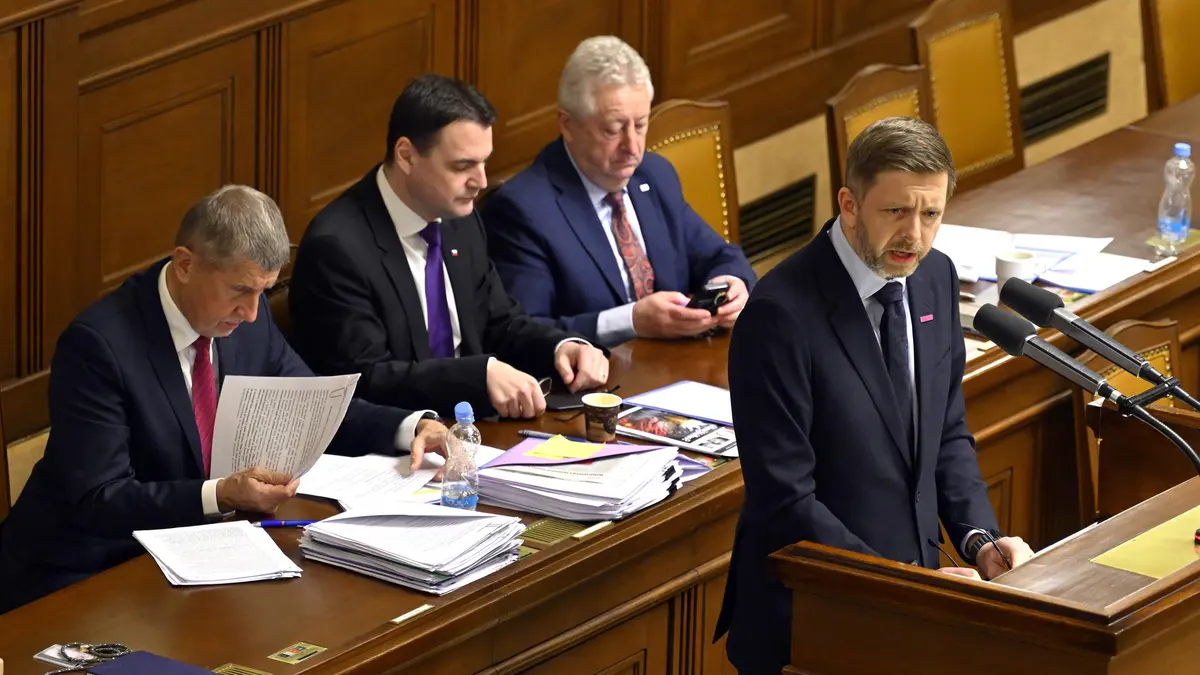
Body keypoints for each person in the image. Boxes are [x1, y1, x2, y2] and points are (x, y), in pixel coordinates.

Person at [0, 186, 447, 614]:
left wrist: (411, 427)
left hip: (198, 555)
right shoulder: (99, 345)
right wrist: (221, 494)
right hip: (83, 572)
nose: (252, 313)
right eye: (240, 291)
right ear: (185, 264)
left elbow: (313, 404)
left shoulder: (245, 320)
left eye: (263, 292)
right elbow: (102, 499)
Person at [714, 118, 1036, 674]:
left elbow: (945, 432)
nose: (915, 235)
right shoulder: (779, 315)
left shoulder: (934, 278)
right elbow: (785, 500)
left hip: (912, 610)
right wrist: (903, 584)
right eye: (896, 211)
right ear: (849, 204)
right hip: (812, 619)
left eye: (931, 214)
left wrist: (981, 539)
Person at [289, 75, 609, 419]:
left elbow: (499, 321)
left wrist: (561, 347)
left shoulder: (458, 219)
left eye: (484, 162)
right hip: (400, 438)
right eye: (463, 166)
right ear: (407, 156)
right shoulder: (337, 249)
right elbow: (366, 380)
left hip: (478, 428)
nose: (481, 181)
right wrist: (477, 376)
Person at [480, 36, 756, 347]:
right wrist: (631, 321)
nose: (633, 147)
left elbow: (720, 255)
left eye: (640, 125)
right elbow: (522, 333)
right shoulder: (523, 211)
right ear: (567, 125)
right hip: (601, 374)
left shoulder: (655, 174)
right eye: (613, 129)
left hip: (682, 364)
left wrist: (731, 285)